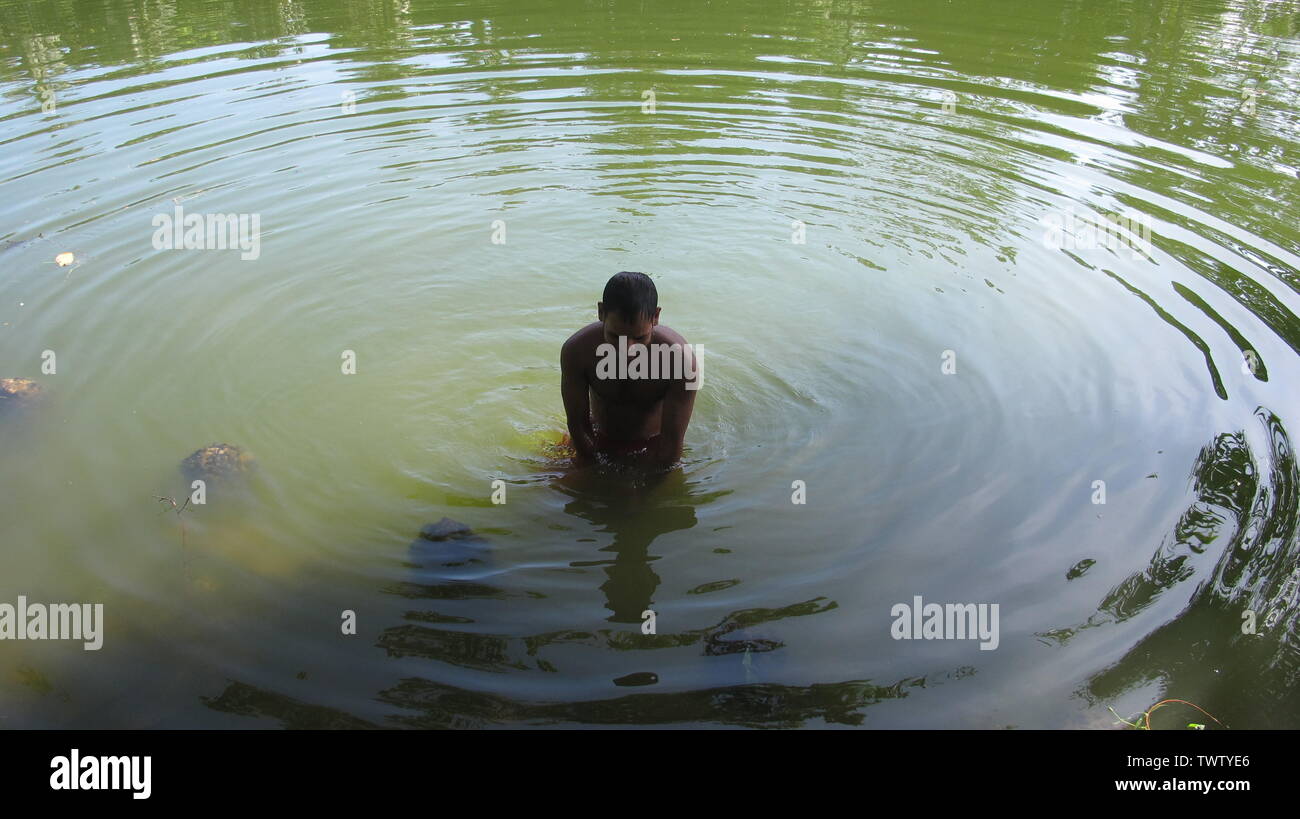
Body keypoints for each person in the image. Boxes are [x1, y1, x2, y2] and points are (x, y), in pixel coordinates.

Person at [560, 271, 698, 468]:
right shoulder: (576, 351)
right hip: (596, 440)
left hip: (650, 448)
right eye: (615, 336)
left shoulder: (681, 360)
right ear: (601, 312)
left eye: (640, 338)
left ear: (656, 317)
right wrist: (592, 466)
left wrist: (652, 478)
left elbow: (672, 444)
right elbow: (578, 425)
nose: (627, 350)